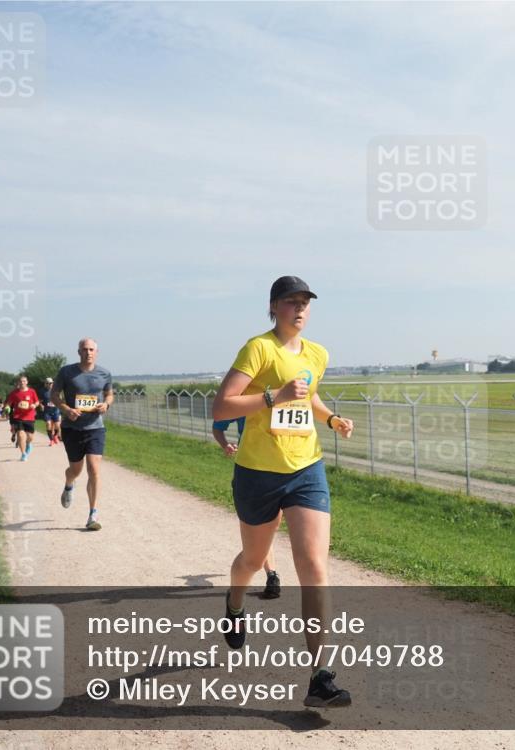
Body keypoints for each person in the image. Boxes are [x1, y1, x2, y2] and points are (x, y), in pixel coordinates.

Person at [213, 275, 355, 708]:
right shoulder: (258, 348)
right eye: (291, 302)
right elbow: (221, 406)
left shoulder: (318, 353)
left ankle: (320, 675)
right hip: (258, 471)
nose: (300, 309)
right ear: (273, 307)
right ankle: (235, 604)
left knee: (313, 564)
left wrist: (331, 419)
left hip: (306, 468)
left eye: (306, 303)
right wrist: (271, 396)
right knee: (253, 561)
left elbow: (307, 397)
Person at [212, 416, 281, 599]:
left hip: (284, 469)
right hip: (252, 469)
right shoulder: (244, 398)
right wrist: (225, 445)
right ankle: (272, 576)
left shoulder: (285, 397)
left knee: (270, 525)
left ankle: (272, 576)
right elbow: (218, 425)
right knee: (263, 527)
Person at [51, 338, 113, 531]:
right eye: (85, 349)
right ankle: (69, 483)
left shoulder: (104, 373)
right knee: (75, 470)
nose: (88, 353)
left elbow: (109, 394)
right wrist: (66, 409)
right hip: (72, 428)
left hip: (95, 427)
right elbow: (54, 394)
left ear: (97, 352)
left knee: (94, 469)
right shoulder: (67, 372)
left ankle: (93, 514)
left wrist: (106, 404)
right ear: (78, 352)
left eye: (91, 349)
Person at [5, 376, 39, 461]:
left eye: (24, 381)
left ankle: (28, 444)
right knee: (20, 435)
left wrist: (34, 405)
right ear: (18, 383)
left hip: (30, 416)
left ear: (27, 382)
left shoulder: (32, 391)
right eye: (20, 381)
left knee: (30, 437)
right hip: (18, 417)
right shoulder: (14, 393)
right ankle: (23, 454)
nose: (22, 383)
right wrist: (7, 407)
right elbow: (9, 403)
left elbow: (37, 402)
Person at [42, 377, 62, 446]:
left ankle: (55, 436)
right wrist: (41, 405)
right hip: (47, 411)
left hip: (56, 410)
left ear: (52, 383)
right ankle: (51, 440)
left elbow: (61, 400)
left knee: (57, 426)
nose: (49, 384)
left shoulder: (57, 391)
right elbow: (39, 401)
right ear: (45, 384)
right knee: (48, 424)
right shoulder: (43, 392)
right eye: (47, 383)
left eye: (50, 383)